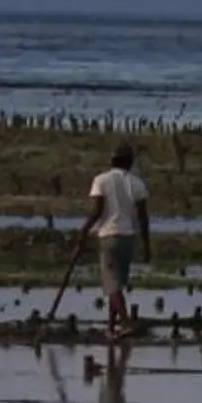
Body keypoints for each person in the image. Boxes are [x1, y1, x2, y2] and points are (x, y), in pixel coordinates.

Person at [73, 143, 153, 336]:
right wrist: (146, 244)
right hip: (128, 237)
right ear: (129, 162)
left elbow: (98, 211)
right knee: (116, 284)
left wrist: (83, 231)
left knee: (112, 285)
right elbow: (143, 217)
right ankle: (111, 327)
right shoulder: (137, 183)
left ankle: (125, 322)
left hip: (109, 236)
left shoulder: (101, 180)